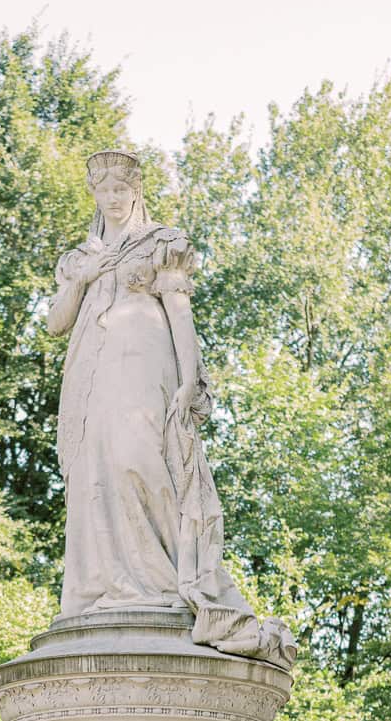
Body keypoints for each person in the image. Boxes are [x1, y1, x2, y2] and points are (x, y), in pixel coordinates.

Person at [46, 150, 295, 664]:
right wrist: (79, 279)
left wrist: (189, 378)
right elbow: (56, 322)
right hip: (91, 373)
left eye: (120, 189)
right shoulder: (83, 255)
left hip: (145, 368)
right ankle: (110, 583)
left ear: (135, 190)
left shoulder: (162, 244)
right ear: (94, 194)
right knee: (98, 469)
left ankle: (161, 579)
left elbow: (179, 312)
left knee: (140, 457)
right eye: (103, 190)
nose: (112, 198)